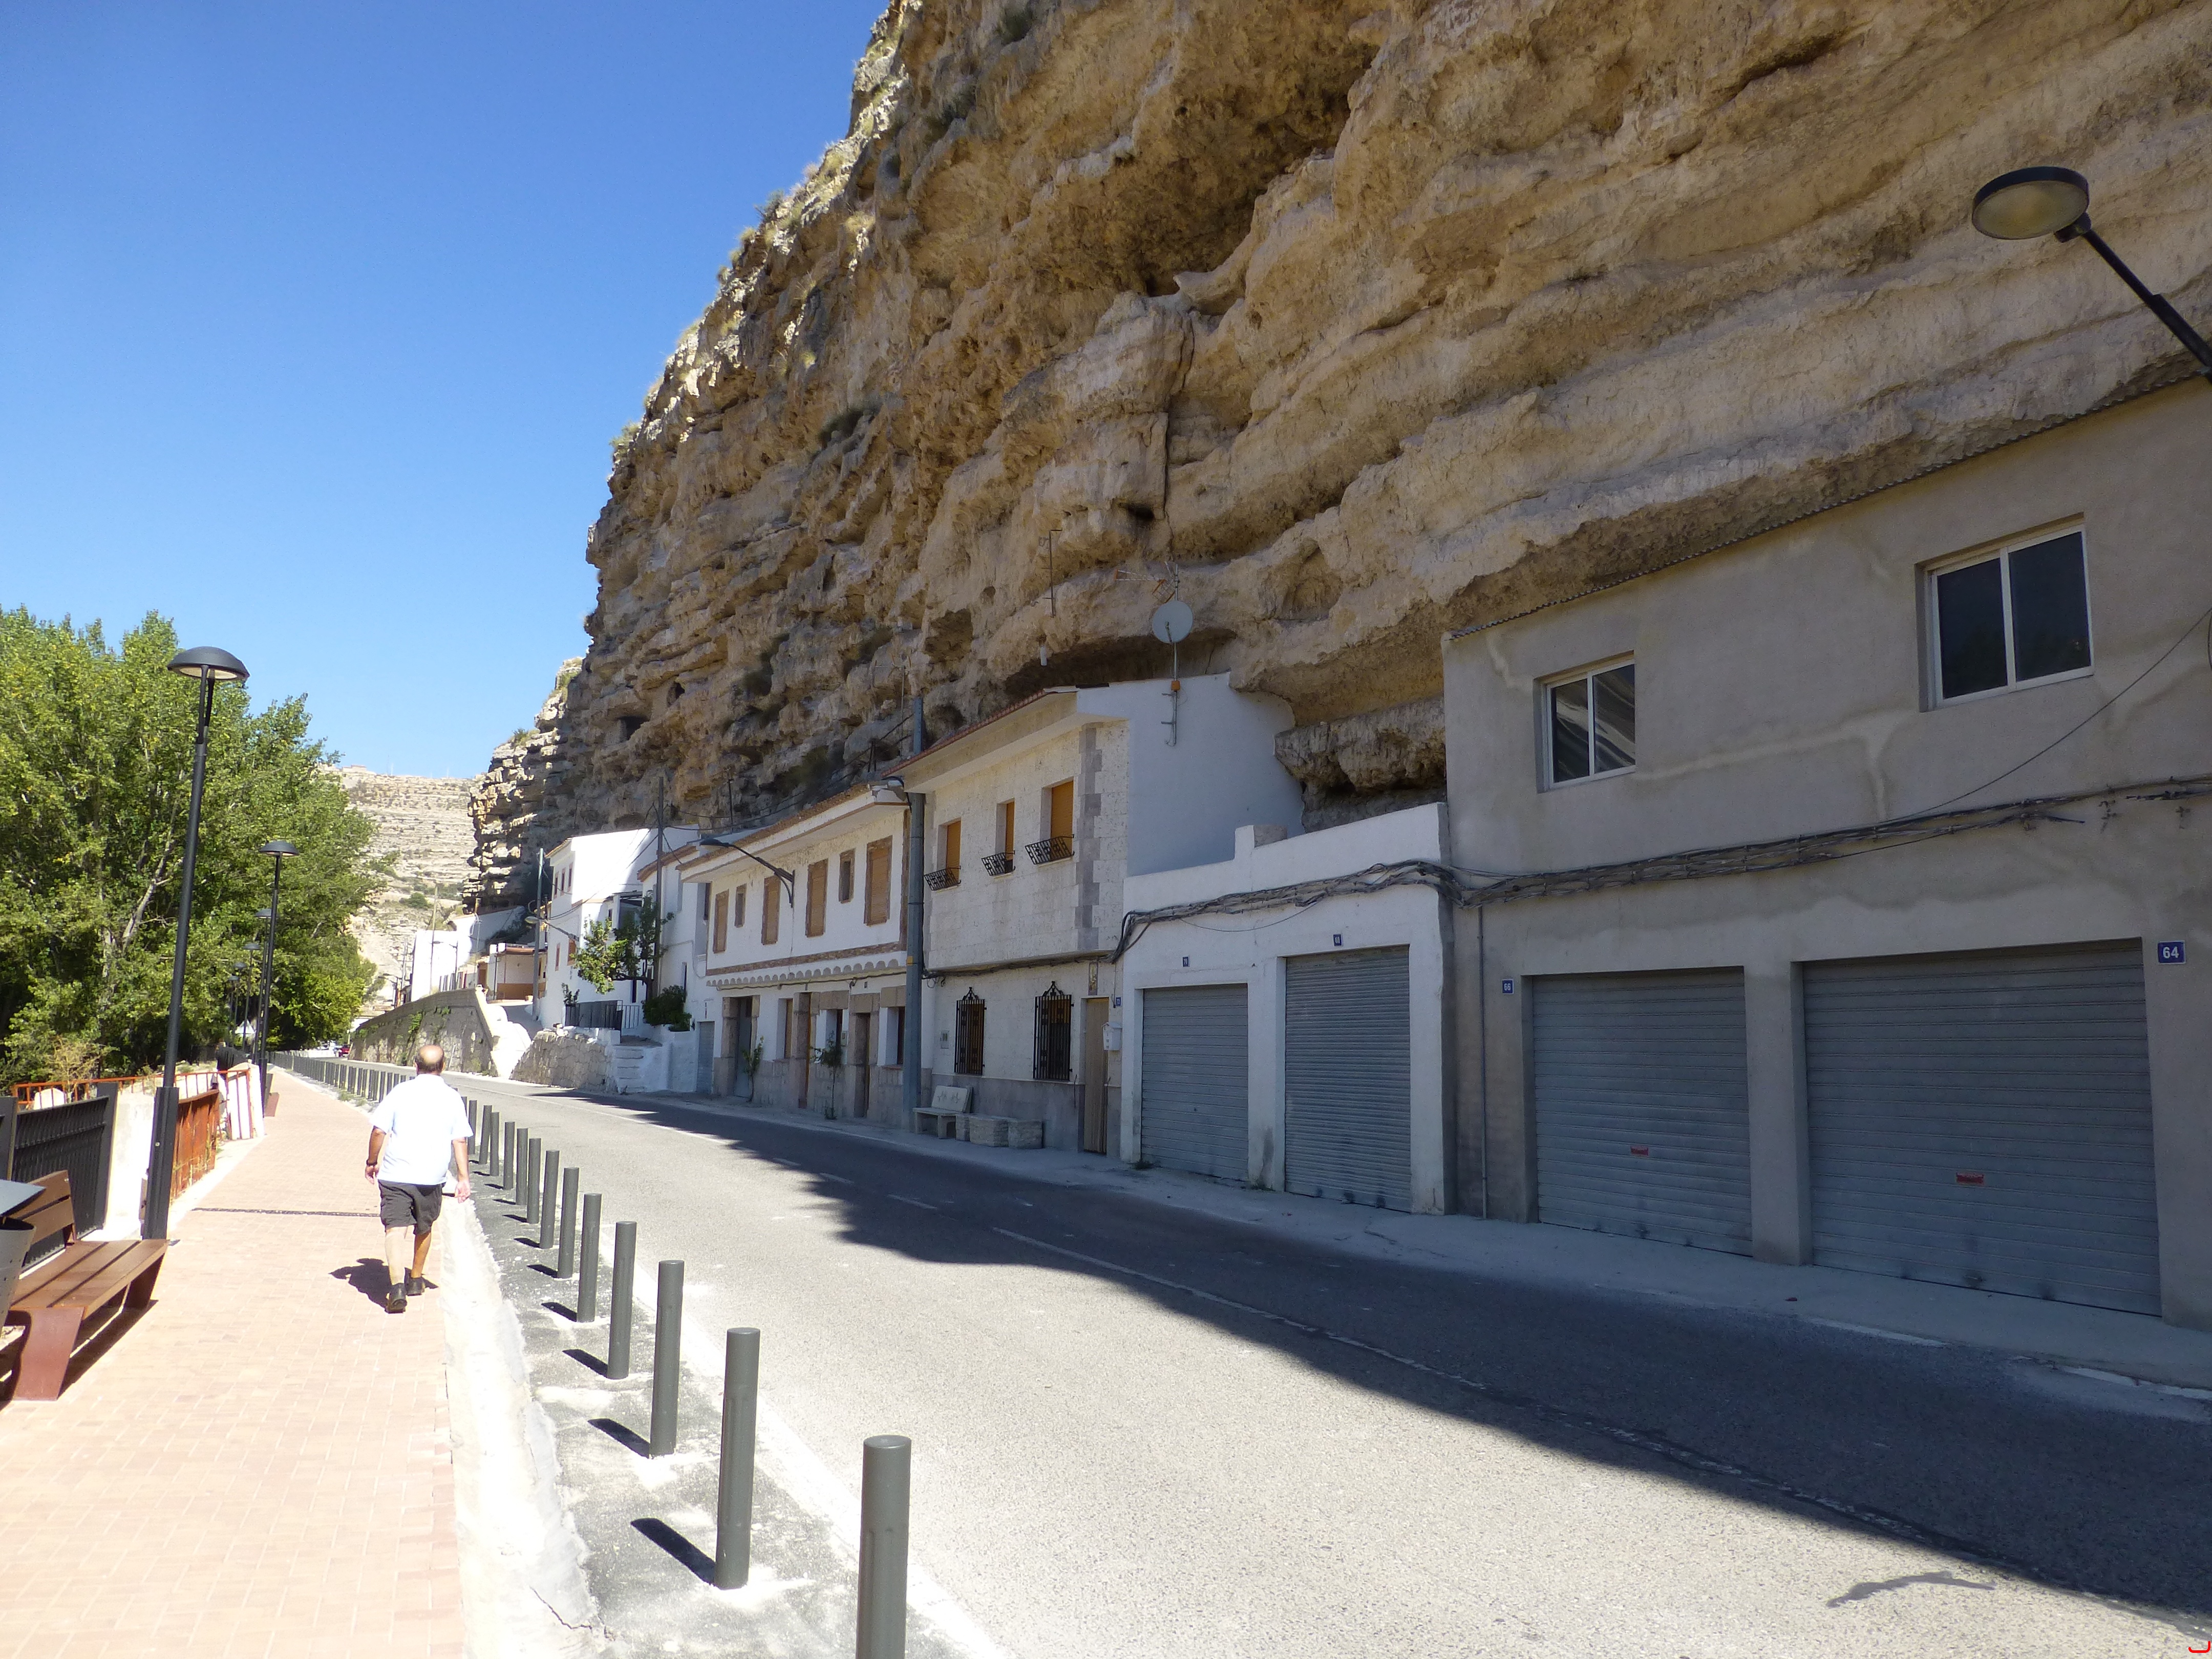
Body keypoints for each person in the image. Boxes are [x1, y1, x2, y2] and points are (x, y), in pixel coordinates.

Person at [365, 1043, 473, 1314]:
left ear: (415, 1065)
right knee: (424, 1227)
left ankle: (396, 1287)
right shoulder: (452, 1098)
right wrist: (463, 1178)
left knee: (395, 1229)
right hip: (432, 1177)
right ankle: (415, 1279)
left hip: (396, 1174)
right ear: (443, 1066)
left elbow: (379, 1131)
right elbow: (459, 1140)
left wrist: (372, 1162)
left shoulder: (400, 1092)